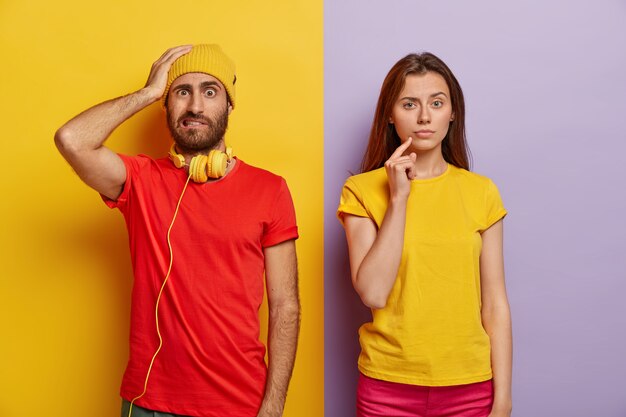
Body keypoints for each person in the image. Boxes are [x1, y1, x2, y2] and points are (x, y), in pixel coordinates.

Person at [55, 44, 300, 417]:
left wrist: (273, 406)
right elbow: (72, 140)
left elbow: (285, 307)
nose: (196, 106)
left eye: (210, 91)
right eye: (182, 92)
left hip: (239, 403)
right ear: (167, 105)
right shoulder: (139, 180)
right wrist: (147, 92)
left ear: (229, 105)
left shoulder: (270, 189)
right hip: (148, 402)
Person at [337, 52, 512, 417]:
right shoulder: (362, 190)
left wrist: (503, 399)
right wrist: (399, 198)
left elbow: (494, 304)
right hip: (388, 386)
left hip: (470, 386)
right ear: (390, 114)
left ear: (452, 112)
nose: (424, 116)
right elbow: (373, 291)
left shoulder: (482, 193)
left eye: (436, 103)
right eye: (409, 104)